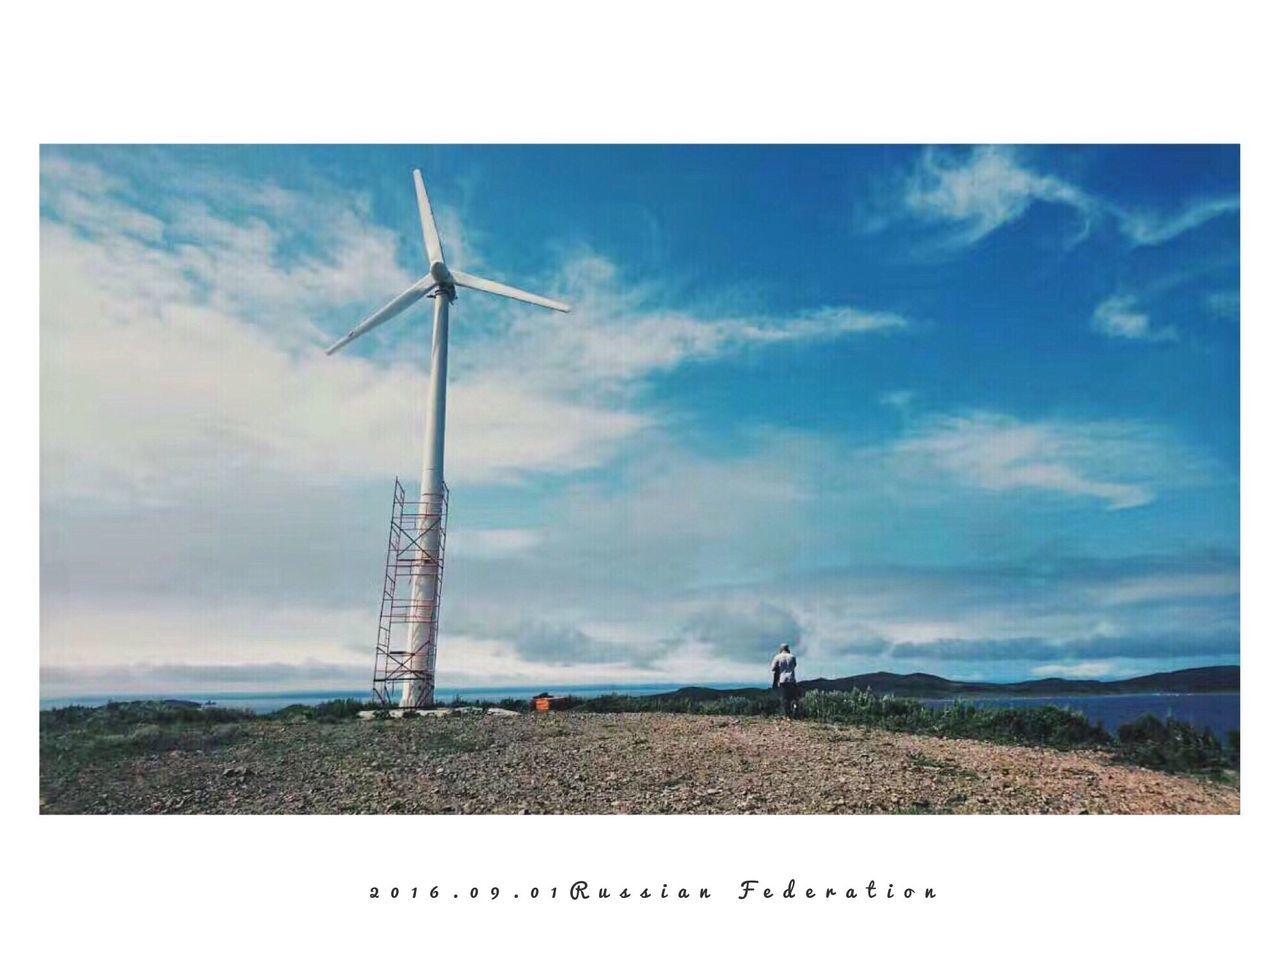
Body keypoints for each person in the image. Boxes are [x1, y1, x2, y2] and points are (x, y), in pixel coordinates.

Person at [770, 643, 800, 719]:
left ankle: (788, 716)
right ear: (788, 649)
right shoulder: (792, 657)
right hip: (792, 679)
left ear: (781, 649)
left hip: (783, 680)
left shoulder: (777, 657)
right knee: (793, 697)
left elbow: (773, 668)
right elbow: (794, 665)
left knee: (785, 698)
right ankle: (795, 708)